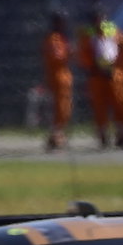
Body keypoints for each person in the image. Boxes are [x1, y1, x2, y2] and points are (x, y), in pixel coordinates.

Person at [77, 5, 123, 148]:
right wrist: (92, 67)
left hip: (112, 73)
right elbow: (83, 55)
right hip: (96, 75)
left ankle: (121, 134)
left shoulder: (112, 30)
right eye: (96, 19)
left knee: (118, 104)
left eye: (101, 19)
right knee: (99, 107)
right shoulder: (87, 34)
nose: (99, 22)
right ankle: (103, 134)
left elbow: (120, 46)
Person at [41, 12, 73, 150]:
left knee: (64, 108)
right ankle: (56, 135)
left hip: (62, 77)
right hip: (57, 77)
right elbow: (58, 56)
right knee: (59, 108)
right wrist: (70, 51)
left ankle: (57, 135)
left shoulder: (61, 38)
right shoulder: (54, 39)